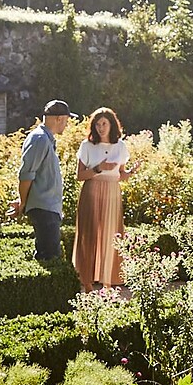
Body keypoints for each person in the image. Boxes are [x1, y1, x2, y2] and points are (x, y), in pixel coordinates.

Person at [73, 107, 132, 293]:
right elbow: (80, 176)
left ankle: (108, 283)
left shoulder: (120, 146)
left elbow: (120, 174)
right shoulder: (87, 146)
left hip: (112, 192)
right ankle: (87, 283)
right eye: (97, 124)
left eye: (104, 124)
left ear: (112, 125)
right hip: (91, 190)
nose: (101, 128)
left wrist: (130, 173)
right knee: (89, 234)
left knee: (111, 235)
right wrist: (99, 168)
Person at [10, 99, 72, 263]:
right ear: (59, 119)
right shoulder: (40, 139)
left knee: (50, 255)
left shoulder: (45, 138)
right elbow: (26, 175)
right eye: (66, 120)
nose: (67, 124)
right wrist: (23, 202)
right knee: (49, 257)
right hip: (44, 209)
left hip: (48, 208)